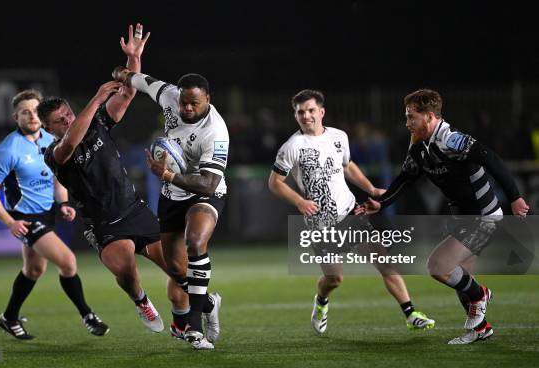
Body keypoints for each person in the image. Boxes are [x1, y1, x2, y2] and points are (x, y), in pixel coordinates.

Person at [39, 24, 188, 336]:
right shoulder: (53, 152)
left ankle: (184, 323)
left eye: (68, 113)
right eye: (59, 120)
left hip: (134, 209)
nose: (67, 119)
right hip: (104, 224)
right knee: (126, 269)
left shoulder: (97, 125)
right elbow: (70, 143)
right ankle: (141, 300)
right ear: (47, 128)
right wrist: (94, 100)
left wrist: (133, 60)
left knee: (179, 269)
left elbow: (128, 91)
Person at [359, 88, 530, 344]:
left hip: (483, 217)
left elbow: (491, 159)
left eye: (411, 117)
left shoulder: (451, 140)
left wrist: (515, 198)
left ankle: (481, 295)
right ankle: (480, 328)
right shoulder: (419, 145)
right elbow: (407, 177)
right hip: (463, 219)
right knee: (461, 277)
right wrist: (381, 203)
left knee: (438, 266)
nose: (407, 123)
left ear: (428, 116)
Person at [268, 89, 435, 335]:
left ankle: (411, 314)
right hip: (320, 226)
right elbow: (274, 182)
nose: (306, 116)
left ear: (321, 112)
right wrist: (299, 202)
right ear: (295, 115)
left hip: (349, 213)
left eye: (311, 110)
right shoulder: (292, 146)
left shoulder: (338, 137)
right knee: (335, 279)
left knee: (385, 262)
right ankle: (321, 302)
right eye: (300, 112)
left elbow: (347, 166)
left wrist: (370, 188)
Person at [116, 51, 227, 349]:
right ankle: (208, 303)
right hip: (171, 197)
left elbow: (209, 183)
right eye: (184, 102)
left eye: (195, 103)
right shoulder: (169, 96)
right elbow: (140, 80)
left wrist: (166, 175)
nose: (188, 108)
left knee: (195, 243)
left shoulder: (215, 132)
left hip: (204, 194)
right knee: (177, 271)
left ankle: (193, 328)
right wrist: (124, 71)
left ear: (208, 99)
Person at [0, 89, 109, 340]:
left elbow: (56, 176)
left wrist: (62, 203)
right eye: (24, 112)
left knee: (34, 270)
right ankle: (88, 315)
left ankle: (8, 317)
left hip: (48, 214)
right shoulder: (7, 150)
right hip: (26, 219)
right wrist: (9, 222)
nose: (31, 116)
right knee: (68, 261)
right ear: (15, 117)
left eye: (34, 110)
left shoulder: (49, 141)